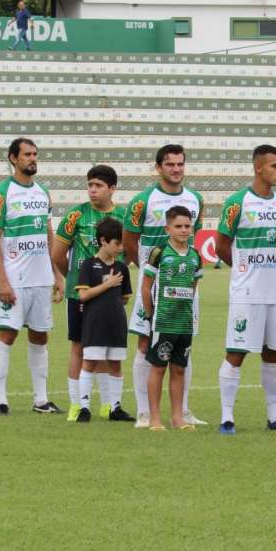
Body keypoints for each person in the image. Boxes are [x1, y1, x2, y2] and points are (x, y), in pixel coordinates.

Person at [124, 144, 206, 428]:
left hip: (185, 285)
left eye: (180, 164)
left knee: (184, 343)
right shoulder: (142, 201)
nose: (176, 169)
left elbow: (193, 242)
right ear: (158, 167)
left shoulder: (195, 199)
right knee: (146, 342)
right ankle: (145, 412)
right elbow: (129, 241)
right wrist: (150, 273)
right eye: (170, 164)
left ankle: (182, 411)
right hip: (155, 284)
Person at [215, 145, 276, 435]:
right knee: (237, 351)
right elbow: (221, 245)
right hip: (248, 293)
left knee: (273, 353)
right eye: (275, 166)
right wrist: (245, 269)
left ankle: (274, 416)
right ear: (259, 168)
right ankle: (227, 417)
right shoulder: (237, 202)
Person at [0, 137, 64, 415]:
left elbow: (48, 235)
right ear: (13, 159)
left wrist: (56, 273)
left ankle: (41, 400)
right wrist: (3, 281)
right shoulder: (3, 193)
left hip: (41, 279)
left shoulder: (42, 192)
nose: (32, 159)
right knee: (7, 335)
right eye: (27, 154)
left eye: (35, 154)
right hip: (15, 280)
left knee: (40, 337)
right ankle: (0, 401)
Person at [51, 165, 132, 422]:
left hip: (109, 297)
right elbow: (57, 254)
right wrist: (75, 278)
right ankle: (77, 404)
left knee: (108, 349)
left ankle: (109, 405)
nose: (92, 190)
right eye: (89, 185)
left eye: (98, 186)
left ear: (112, 189)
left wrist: (115, 274)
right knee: (79, 346)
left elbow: (129, 252)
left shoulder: (123, 216)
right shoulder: (76, 215)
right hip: (81, 296)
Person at [141, 206, 202, 431]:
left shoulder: (196, 255)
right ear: (168, 228)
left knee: (179, 369)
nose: (184, 230)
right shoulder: (159, 253)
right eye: (178, 226)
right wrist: (150, 315)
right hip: (163, 321)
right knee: (158, 367)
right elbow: (146, 288)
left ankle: (178, 418)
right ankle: (154, 418)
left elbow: (193, 288)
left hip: (184, 324)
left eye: (187, 226)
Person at [74, 218, 132, 423]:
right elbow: (83, 295)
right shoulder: (89, 265)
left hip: (116, 323)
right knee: (90, 363)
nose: (120, 248)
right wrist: (107, 285)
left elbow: (125, 297)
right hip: (95, 323)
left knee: (115, 364)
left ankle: (115, 407)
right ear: (103, 241)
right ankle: (84, 407)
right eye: (117, 243)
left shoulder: (122, 268)